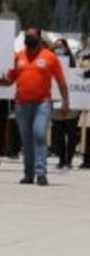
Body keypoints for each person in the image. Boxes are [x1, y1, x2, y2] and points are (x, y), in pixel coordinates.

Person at [0, 28, 69, 185]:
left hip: (42, 103)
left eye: (32, 36)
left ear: (39, 38)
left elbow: (61, 82)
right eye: (27, 36)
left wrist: (65, 102)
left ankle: (41, 173)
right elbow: (9, 80)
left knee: (39, 134)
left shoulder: (50, 57)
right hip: (21, 104)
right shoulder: (19, 56)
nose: (28, 38)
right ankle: (29, 174)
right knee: (26, 140)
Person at [51, 38, 79, 170]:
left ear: (66, 48)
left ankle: (69, 160)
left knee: (71, 133)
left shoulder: (73, 65)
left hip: (72, 103)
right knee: (58, 134)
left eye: (60, 46)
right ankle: (61, 159)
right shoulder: (51, 63)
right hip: (56, 104)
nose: (58, 49)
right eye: (55, 47)